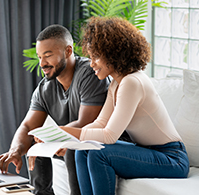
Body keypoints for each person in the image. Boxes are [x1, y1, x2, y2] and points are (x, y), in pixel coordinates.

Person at [59, 17, 190, 195]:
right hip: (147, 151)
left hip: (172, 158)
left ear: (113, 52)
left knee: (99, 154)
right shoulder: (116, 83)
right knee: (83, 149)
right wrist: (72, 138)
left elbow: (110, 135)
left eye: (96, 57)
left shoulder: (132, 82)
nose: (91, 64)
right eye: (90, 57)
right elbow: (100, 123)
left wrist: (66, 132)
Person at [0, 24, 111, 195]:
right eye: (39, 57)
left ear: (68, 51)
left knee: (70, 148)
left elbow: (87, 123)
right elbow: (27, 127)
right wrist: (15, 151)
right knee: (35, 141)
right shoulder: (45, 88)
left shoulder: (89, 74)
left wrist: (51, 139)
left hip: (97, 142)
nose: (42, 63)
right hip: (68, 142)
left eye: (48, 56)